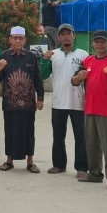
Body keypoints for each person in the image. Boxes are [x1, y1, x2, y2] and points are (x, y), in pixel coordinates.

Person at [71, 30, 107, 191]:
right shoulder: (87, 61)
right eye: (97, 41)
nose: (99, 44)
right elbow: (74, 81)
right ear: (92, 43)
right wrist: (78, 78)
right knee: (91, 144)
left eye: (103, 41)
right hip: (89, 109)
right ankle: (95, 173)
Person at [0, 26, 44, 173]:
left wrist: (40, 97)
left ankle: (30, 161)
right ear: (10, 39)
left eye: (21, 38)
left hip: (28, 103)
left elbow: (37, 79)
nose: (18, 41)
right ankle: (9, 160)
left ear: (25, 40)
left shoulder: (31, 57)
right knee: (10, 131)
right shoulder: (3, 57)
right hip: (10, 104)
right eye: (15, 38)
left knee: (29, 132)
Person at [40, 23, 89, 178]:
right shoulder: (53, 54)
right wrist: (44, 61)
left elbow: (88, 79)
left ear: (74, 35)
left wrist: (88, 97)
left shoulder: (83, 54)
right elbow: (42, 75)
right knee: (58, 136)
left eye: (69, 33)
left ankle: (82, 168)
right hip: (58, 102)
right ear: (59, 37)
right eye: (63, 34)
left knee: (81, 137)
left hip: (78, 102)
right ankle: (59, 165)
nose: (66, 36)